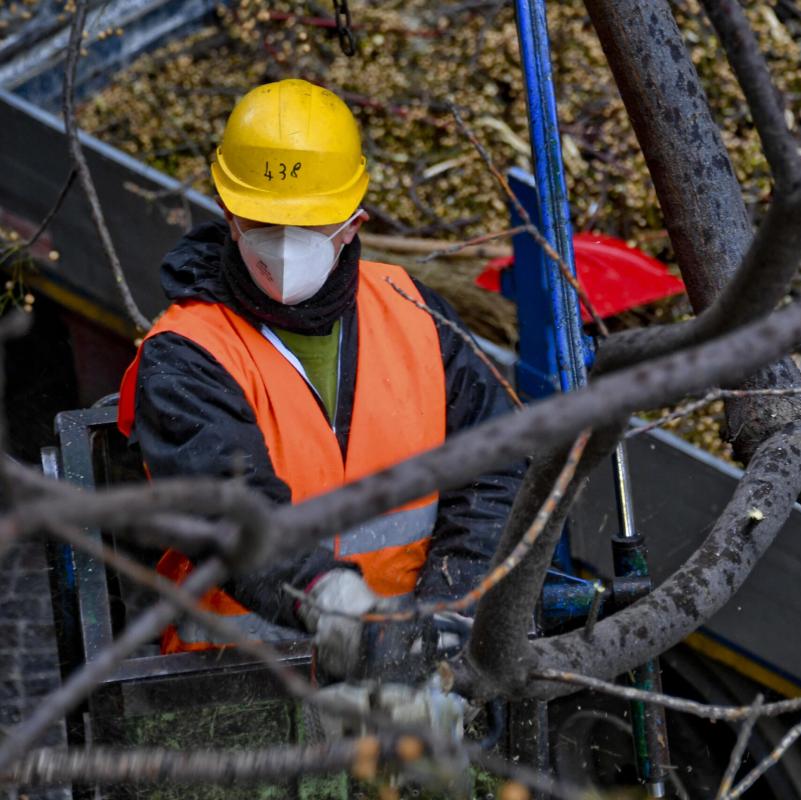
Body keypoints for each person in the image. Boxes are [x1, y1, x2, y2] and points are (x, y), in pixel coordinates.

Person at [116, 78, 523, 683]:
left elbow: (494, 467)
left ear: (352, 224)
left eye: (308, 225)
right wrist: (338, 609)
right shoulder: (186, 355)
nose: (284, 248)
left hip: (416, 660)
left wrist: (452, 611)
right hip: (235, 690)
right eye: (263, 222)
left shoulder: (415, 313)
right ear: (229, 217)